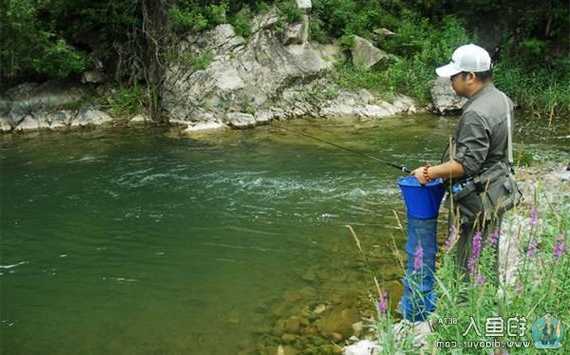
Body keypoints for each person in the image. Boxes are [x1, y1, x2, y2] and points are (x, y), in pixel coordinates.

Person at [411, 44, 520, 282]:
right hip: (498, 191)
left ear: (470, 76)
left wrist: (428, 172)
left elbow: (466, 165)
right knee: (488, 257)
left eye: (454, 75)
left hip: (475, 202)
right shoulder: (502, 99)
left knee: (465, 265)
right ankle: (488, 306)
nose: (451, 80)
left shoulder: (476, 113)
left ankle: (465, 314)